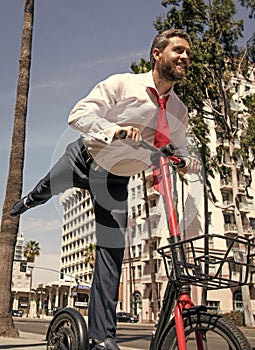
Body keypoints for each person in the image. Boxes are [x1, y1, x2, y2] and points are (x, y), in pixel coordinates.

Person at [11, 29, 200, 350]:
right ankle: (29, 199)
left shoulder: (178, 110)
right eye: (178, 50)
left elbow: (179, 150)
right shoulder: (123, 84)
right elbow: (78, 114)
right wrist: (113, 130)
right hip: (86, 157)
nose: (184, 57)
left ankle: (102, 337)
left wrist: (186, 162)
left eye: (188, 53)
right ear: (157, 54)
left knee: (111, 256)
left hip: (115, 182)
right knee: (47, 187)